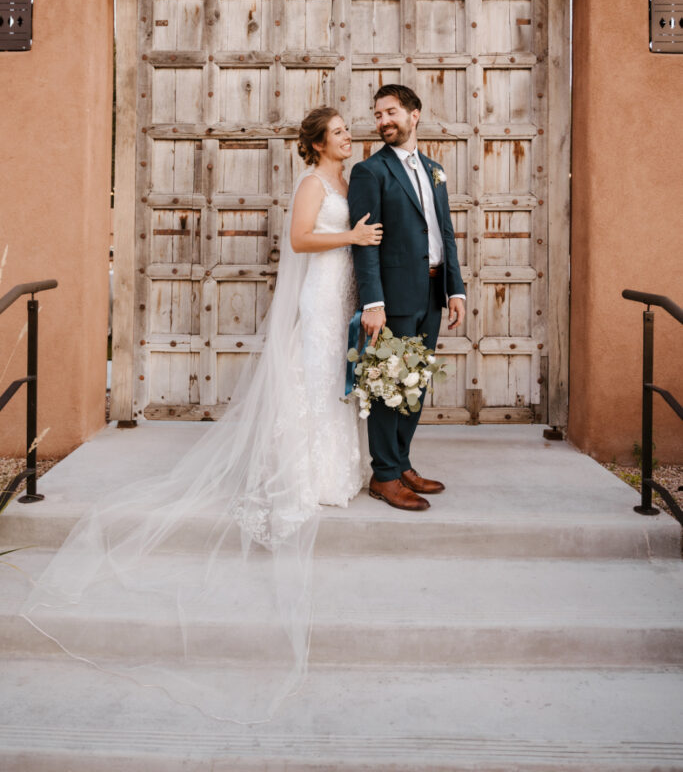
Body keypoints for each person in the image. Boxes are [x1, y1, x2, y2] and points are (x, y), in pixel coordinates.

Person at [21, 106, 379, 723]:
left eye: (350, 129)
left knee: (334, 383)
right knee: (314, 375)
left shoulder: (351, 181)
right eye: (341, 131)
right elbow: (298, 240)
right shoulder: (313, 185)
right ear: (318, 144)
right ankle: (306, 474)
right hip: (319, 290)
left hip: (343, 288)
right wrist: (349, 237)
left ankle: (337, 471)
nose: (350, 136)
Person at [348, 84, 466, 512]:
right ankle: (383, 476)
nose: (383, 122)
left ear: (414, 115)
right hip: (393, 297)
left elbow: (444, 234)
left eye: (391, 112)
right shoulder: (370, 171)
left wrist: (455, 289)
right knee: (386, 386)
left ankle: (401, 464)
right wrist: (373, 302)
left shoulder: (434, 169)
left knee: (415, 384)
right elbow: (364, 243)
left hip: (432, 292)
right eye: (378, 114)